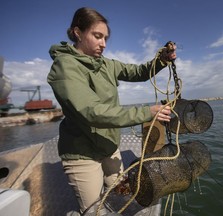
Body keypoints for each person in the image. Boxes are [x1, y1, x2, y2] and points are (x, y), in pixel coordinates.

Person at [47, 7, 177, 216]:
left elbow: (139, 72)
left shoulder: (107, 64)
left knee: (118, 189)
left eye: (105, 38)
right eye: (97, 36)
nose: (103, 44)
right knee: (92, 211)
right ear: (78, 32)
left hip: (108, 144)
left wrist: (162, 59)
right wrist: (146, 112)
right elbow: (92, 111)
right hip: (82, 151)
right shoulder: (64, 67)